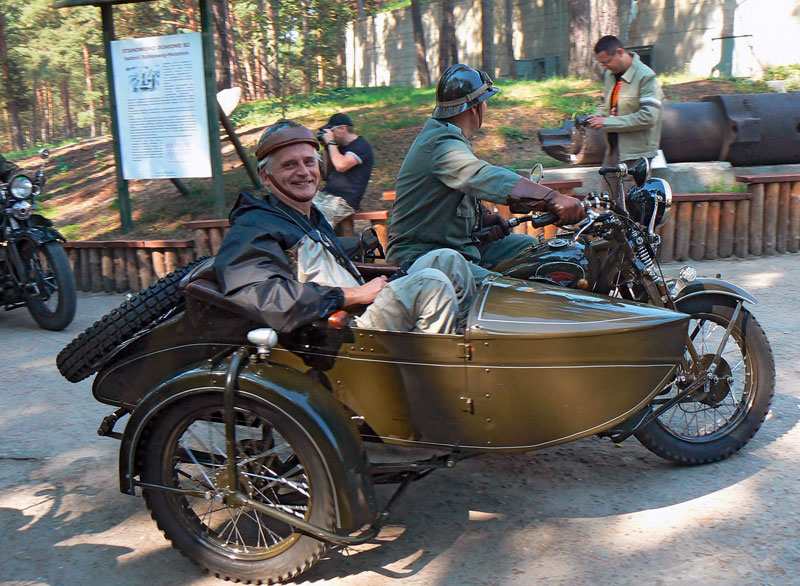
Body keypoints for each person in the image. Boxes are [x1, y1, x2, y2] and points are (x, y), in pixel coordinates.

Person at [214, 119, 474, 335]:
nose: (303, 172)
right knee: (431, 283)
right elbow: (262, 297)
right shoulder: (253, 225)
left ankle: (466, 344)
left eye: (309, 162)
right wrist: (350, 295)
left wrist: (372, 282)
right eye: (289, 165)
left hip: (360, 306)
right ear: (266, 177)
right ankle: (435, 375)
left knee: (447, 260)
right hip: (339, 332)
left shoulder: (307, 215)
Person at [386, 64, 585, 279]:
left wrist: (481, 220)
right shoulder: (441, 143)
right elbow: (482, 176)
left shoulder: (447, 137)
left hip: (457, 248)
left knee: (538, 252)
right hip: (424, 257)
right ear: (475, 107)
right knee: (504, 290)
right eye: (485, 102)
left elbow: (448, 199)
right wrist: (551, 198)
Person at [586, 35, 664, 169]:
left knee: (631, 185)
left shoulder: (645, 76)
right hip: (613, 150)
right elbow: (605, 103)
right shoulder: (610, 75)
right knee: (606, 183)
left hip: (636, 155)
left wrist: (606, 122)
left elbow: (648, 117)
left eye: (607, 62)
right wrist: (598, 115)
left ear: (620, 52)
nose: (604, 68)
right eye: (601, 64)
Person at [313, 113, 374, 232]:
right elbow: (326, 174)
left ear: (343, 128)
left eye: (331, 131)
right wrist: (326, 147)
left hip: (344, 199)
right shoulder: (337, 148)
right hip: (327, 194)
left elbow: (341, 166)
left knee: (318, 220)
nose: (330, 135)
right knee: (300, 207)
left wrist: (331, 143)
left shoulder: (361, 145)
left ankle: (320, 242)